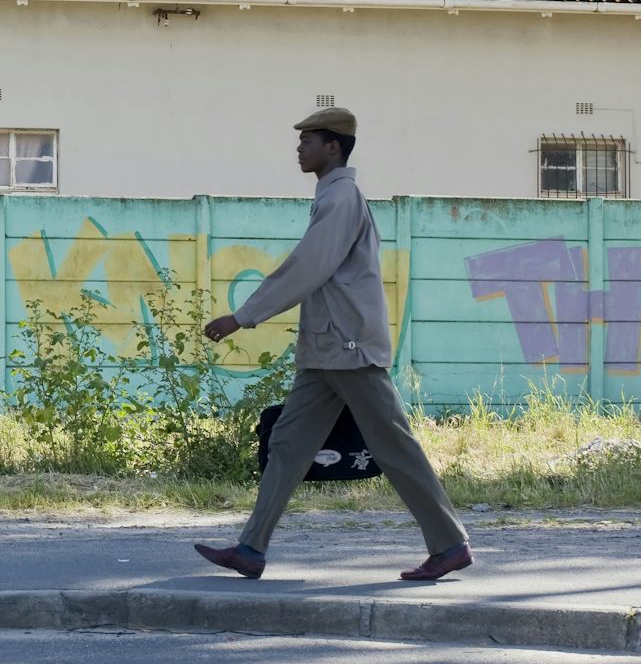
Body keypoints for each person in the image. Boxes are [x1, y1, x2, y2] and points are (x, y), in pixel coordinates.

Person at [194, 107, 473, 582]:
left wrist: (244, 317)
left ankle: (449, 544)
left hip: (347, 348)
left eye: (308, 141)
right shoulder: (332, 197)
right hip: (326, 350)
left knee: (393, 445)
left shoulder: (341, 197)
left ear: (333, 147)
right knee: (287, 442)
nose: (299, 148)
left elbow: (308, 266)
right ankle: (251, 549)